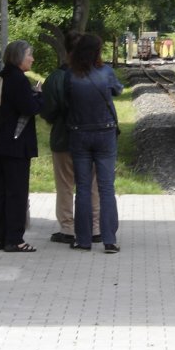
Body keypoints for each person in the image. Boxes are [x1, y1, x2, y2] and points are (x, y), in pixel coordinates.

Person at [40, 31, 101, 245]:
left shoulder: (56, 78)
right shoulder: (97, 75)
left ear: (66, 51)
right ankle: (94, 227)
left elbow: (48, 112)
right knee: (92, 184)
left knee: (65, 185)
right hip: (93, 138)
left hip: (63, 138)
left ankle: (67, 228)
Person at [66, 34, 124, 253]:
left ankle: (83, 240)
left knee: (82, 188)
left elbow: (65, 100)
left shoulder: (70, 75)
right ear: (98, 52)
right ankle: (109, 240)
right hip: (105, 134)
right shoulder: (106, 72)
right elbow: (118, 90)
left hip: (79, 134)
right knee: (106, 188)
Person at [0, 40, 43, 252]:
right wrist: (39, 95)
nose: (32, 58)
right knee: (16, 192)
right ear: (19, 57)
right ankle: (15, 240)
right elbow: (29, 108)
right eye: (29, 54)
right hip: (15, 145)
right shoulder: (18, 80)